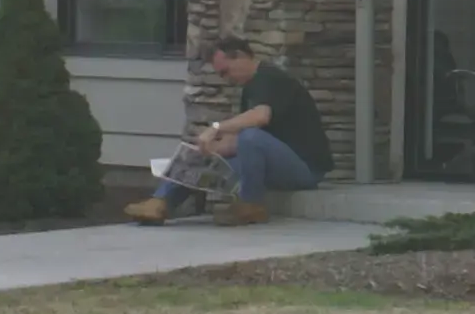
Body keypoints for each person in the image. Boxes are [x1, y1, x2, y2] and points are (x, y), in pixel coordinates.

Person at [128, 34, 329, 225]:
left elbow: (260, 118)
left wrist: (215, 129)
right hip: (274, 163)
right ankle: (160, 203)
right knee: (201, 157)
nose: (226, 79)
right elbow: (240, 143)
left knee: (250, 136)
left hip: (305, 170)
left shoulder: (271, 78)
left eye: (225, 71)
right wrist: (205, 151)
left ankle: (252, 204)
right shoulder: (250, 89)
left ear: (240, 57)